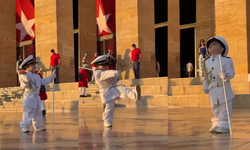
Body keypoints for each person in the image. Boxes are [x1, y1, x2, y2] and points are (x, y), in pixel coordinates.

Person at [91, 54, 141, 128]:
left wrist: (116, 76)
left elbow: (112, 81)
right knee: (109, 109)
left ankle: (134, 94)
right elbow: (104, 74)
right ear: (98, 66)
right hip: (106, 93)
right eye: (103, 65)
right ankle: (107, 122)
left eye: (106, 65)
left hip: (111, 89)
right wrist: (114, 73)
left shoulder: (105, 71)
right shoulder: (97, 73)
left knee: (122, 89)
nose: (105, 67)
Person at [203, 36, 235, 133]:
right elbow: (206, 76)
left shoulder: (226, 60)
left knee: (224, 107)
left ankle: (224, 125)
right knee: (215, 108)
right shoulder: (206, 62)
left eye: (214, 44)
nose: (211, 46)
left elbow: (231, 72)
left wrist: (226, 75)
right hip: (213, 88)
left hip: (223, 87)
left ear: (221, 49)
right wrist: (205, 86)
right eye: (209, 45)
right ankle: (216, 123)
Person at [18, 55, 56, 133]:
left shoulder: (37, 76)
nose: (35, 66)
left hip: (36, 96)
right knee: (28, 113)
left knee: (38, 113)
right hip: (29, 96)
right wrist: (26, 80)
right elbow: (23, 86)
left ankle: (37, 125)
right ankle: (24, 126)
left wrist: (51, 77)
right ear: (28, 66)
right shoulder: (23, 75)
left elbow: (43, 81)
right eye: (33, 64)